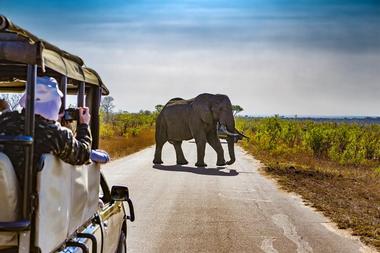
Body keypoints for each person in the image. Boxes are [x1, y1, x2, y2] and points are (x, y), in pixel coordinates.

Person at [0, 76, 92, 186]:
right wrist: (84, 125)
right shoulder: (58, 134)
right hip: (37, 200)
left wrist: (53, 121)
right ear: (55, 102)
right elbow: (83, 155)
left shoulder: (4, 121)